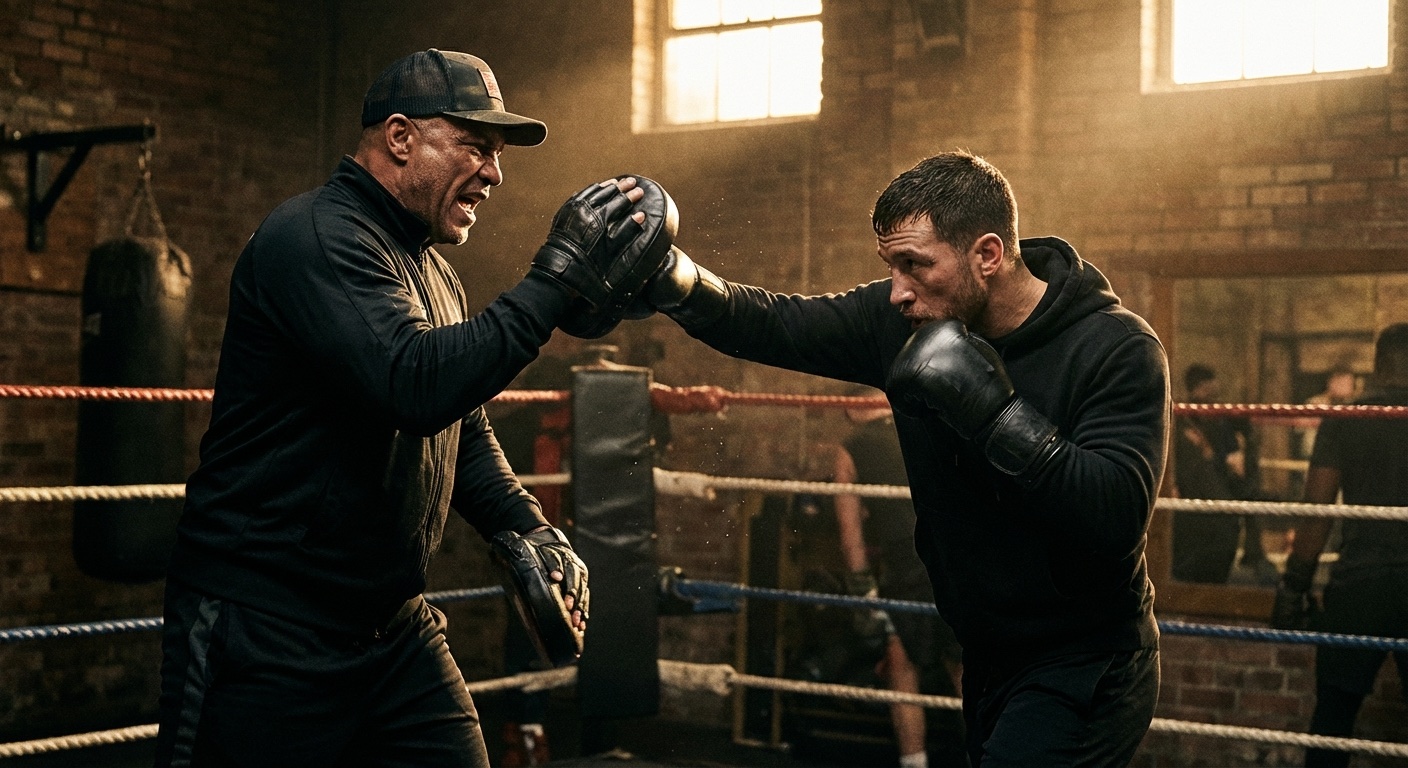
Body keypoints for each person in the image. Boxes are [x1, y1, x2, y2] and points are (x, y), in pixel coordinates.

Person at [154, 48, 671, 767]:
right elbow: (413, 384)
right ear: (400, 138)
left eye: (496, 155)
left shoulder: (434, 272)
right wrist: (557, 277)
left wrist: (526, 524)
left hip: (392, 630)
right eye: (475, 146)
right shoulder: (316, 236)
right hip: (268, 628)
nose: (493, 173)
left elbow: (460, 424)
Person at [643, 151, 1169, 766]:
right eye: (891, 267)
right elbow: (775, 324)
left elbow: (1114, 516)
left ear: (988, 255)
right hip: (986, 651)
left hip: (1087, 661)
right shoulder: (904, 320)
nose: (898, 290)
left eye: (916, 265)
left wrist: (994, 413)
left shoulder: (1115, 347)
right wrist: (670, 275)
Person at [1271, 323, 1408, 768]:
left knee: (1333, 719)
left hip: (1360, 584)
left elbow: (1317, 511)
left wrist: (1295, 585)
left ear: (1378, 364)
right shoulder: (1347, 417)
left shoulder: (1348, 418)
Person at [832, 398, 964, 768]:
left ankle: (914, 764)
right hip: (957, 557)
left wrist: (862, 592)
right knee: (966, 668)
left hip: (908, 562)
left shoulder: (850, 449)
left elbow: (850, 536)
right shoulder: (931, 426)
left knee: (901, 665)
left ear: (850, 409)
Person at [1171, 364, 1264, 584]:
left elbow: (1233, 456)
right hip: (1193, 498)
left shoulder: (1220, 420)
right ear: (1198, 389)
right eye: (1208, 392)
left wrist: (1237, 456)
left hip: (1215, 493)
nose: (1213, 398)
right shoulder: (1181, 420)